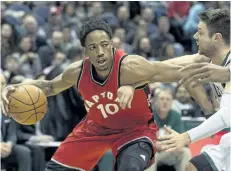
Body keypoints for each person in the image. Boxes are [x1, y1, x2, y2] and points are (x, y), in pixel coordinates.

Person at [1, 18, 212, 171]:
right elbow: (48, 87)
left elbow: (169, 71)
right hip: (95, 128)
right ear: (86, 51)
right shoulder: (78, 71)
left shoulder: (130, 66)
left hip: (135, 129)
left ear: (112, 44)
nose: (100, 52)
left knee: (129, 167)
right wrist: (17, 86)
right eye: (93, 47)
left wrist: (211, 63)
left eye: (104, 45)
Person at [157, 9, 230, 171]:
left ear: (217, 38)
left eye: (200, 33)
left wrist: (186, 137)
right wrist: (136, 76)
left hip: (226, 121)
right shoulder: (207, 59)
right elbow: (162, 68)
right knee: (191, 167)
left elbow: (227, 116)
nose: (195, 37)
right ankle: (208, 111)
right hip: (227, 134)